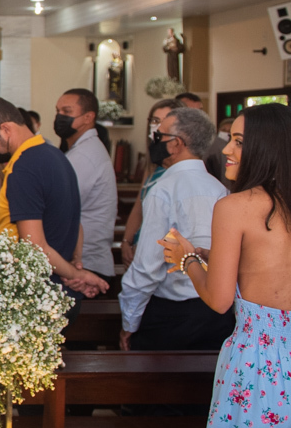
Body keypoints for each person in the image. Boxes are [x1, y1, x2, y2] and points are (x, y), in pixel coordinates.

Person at [158, 104, 291, 428]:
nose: (228, 150)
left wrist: (185, 257)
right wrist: (212, 257)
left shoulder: (235, 207)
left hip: (259, 363)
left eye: (239, 141)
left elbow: (219, 300)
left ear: (268, 147)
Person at [0, 97, 108, 319]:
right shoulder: (55, 156)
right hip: (58, 286)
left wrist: (77, 274)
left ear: (5, 129)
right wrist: (75, 265)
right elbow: (76, 223)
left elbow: (33, 246)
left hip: (36, 294)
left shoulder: (24, 168)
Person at [119, 107, 232, 352]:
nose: (154, 141)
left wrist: (129, 321)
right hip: (216, 311)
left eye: (159, 136)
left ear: (176, 143)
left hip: (172, 314)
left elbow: (147, 267)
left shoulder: (164, 189)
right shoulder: (219, 189)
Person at [55, 89, 118, 283]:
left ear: (88, 117)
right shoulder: (81, 150)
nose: (59, 116)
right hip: (83, 261)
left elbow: (59, 206)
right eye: (57, 111)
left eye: (67, 111)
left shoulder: (84, 156)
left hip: (86, 264)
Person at [122, 98, 183, 267]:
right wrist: (127, 240)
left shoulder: (181, 169)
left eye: (166, 120)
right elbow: (139, 204)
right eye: (155, 121)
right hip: (140, 245)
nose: (159, 127)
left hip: (163, 255)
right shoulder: (153, 166)